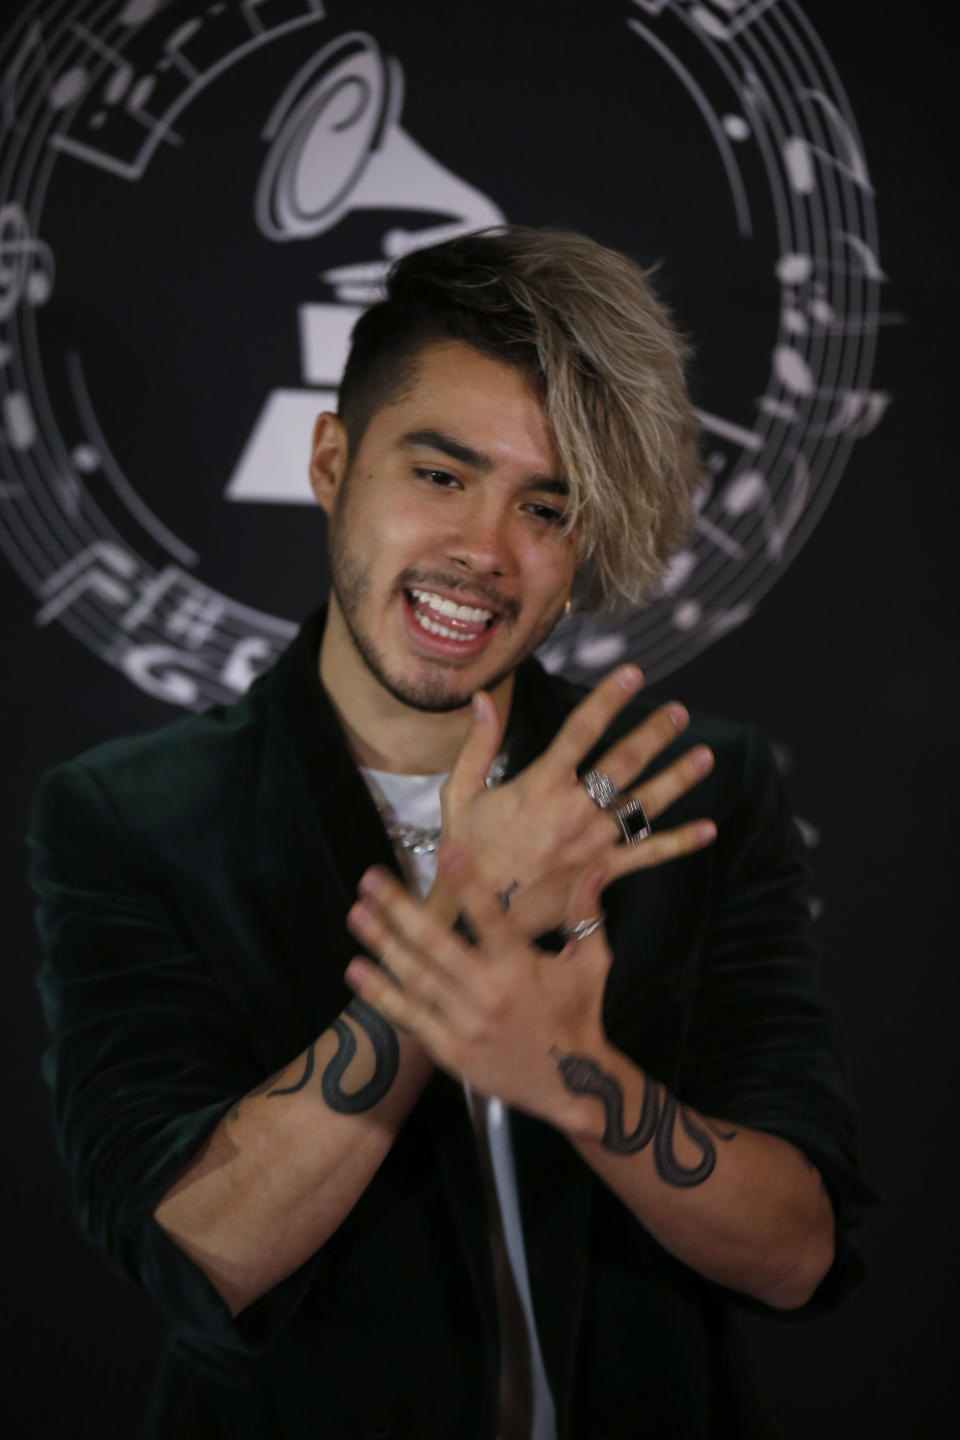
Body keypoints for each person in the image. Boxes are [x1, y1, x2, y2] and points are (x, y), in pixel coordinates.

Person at [30, 227, 875, 1440]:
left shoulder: (700, 790)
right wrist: (457, 925)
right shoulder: (128, 816)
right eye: (441, 475)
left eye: (547, 504)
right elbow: (197, 1248)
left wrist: (575, 1083)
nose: (484, 551)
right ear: (332, 460)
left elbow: (799, 1253)